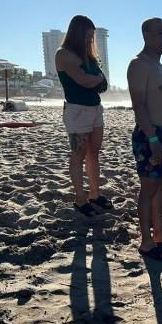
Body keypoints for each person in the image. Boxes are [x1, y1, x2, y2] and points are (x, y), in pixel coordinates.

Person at [127, 18, 162, 261]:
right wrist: (152, 139)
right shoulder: (139, 64)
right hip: (148, 133)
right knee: (148, 188)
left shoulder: (160, 67)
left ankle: (159, 234)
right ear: (146, 34)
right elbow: (139, 105)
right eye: (161, 33)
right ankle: (146, 242)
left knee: (161, 184)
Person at [55, 15, 112, 217]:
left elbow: (103, 84)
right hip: (77, 110)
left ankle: (95, 194)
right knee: (78, 154)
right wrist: (94, 79)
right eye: (87, 36)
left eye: (92, 36)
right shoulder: (64, 54)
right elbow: (83, 80)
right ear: (77, 34)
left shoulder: (89, 57)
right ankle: (80, 199)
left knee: (93, 153)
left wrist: (94, 79)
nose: (90, 40)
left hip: (95, 109)